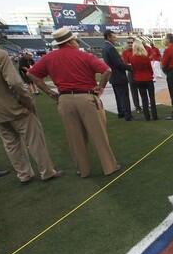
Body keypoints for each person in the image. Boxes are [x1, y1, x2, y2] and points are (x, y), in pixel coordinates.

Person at [28, 27, 120, 178]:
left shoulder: (49, 57)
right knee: (99, 135)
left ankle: (83, 170)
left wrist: (50, 92)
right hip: (86, 97)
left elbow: (31, 74)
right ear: (71, 41)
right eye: (75, 40)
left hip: (64, 99)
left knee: (74, 138)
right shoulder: (84, 56)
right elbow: (107, 70)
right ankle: (109, 166)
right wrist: (101, 88)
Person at [0, 27, 60, 184]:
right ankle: (47, 171)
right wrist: (27, 102)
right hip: (14, 106)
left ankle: (24, 174)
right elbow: (16, 83)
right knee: (34, 140)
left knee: (10, 143)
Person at [102, 30, 134, 121]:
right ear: (108, 37)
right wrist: (131, 68)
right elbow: (118, 64)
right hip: (118, 75)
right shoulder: (110, 48)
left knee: (118, 95)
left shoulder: (105, 47)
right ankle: (128, 115)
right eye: (114, 36)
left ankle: (121, 112)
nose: (115, 38)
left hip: (113, 76)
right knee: (124, 96)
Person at [129, 40, 158, 121]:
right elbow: (150, 68)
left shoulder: (132, 58)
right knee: (152, 98)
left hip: (139, 79)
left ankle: (147, 117)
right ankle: (155, 116)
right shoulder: (146, 57)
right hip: (148, 78)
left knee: (144, 98)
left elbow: (133, 70)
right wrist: (151, 75)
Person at [121, 37, 142, 113]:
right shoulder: (125, 52)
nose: (130, 44)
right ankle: (137, 107)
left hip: (139, 73)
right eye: (128, 43)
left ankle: (145, 105)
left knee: (142, 90)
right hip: (131, 73)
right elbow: (125, 64)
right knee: (134, 91)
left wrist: (132, 64)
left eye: (131, 42)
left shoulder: (138, 51)